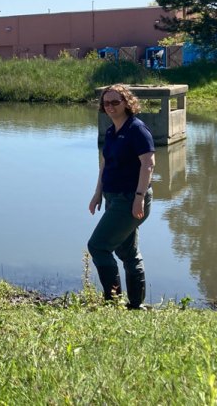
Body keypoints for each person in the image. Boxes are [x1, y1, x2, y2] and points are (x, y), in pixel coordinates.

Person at [88, 84, 155, 309]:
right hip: (113, 197)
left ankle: (113, 301)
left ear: (127, 103)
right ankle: (136, 305)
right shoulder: (111, 131)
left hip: (130, 198)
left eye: (115, 102)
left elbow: (148, 164)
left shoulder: (137, 129)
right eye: (106, 103)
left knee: (98, 246)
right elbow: (105, 165)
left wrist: (139, 197)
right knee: (127, 251)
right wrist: (97, 194)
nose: (110, 106)